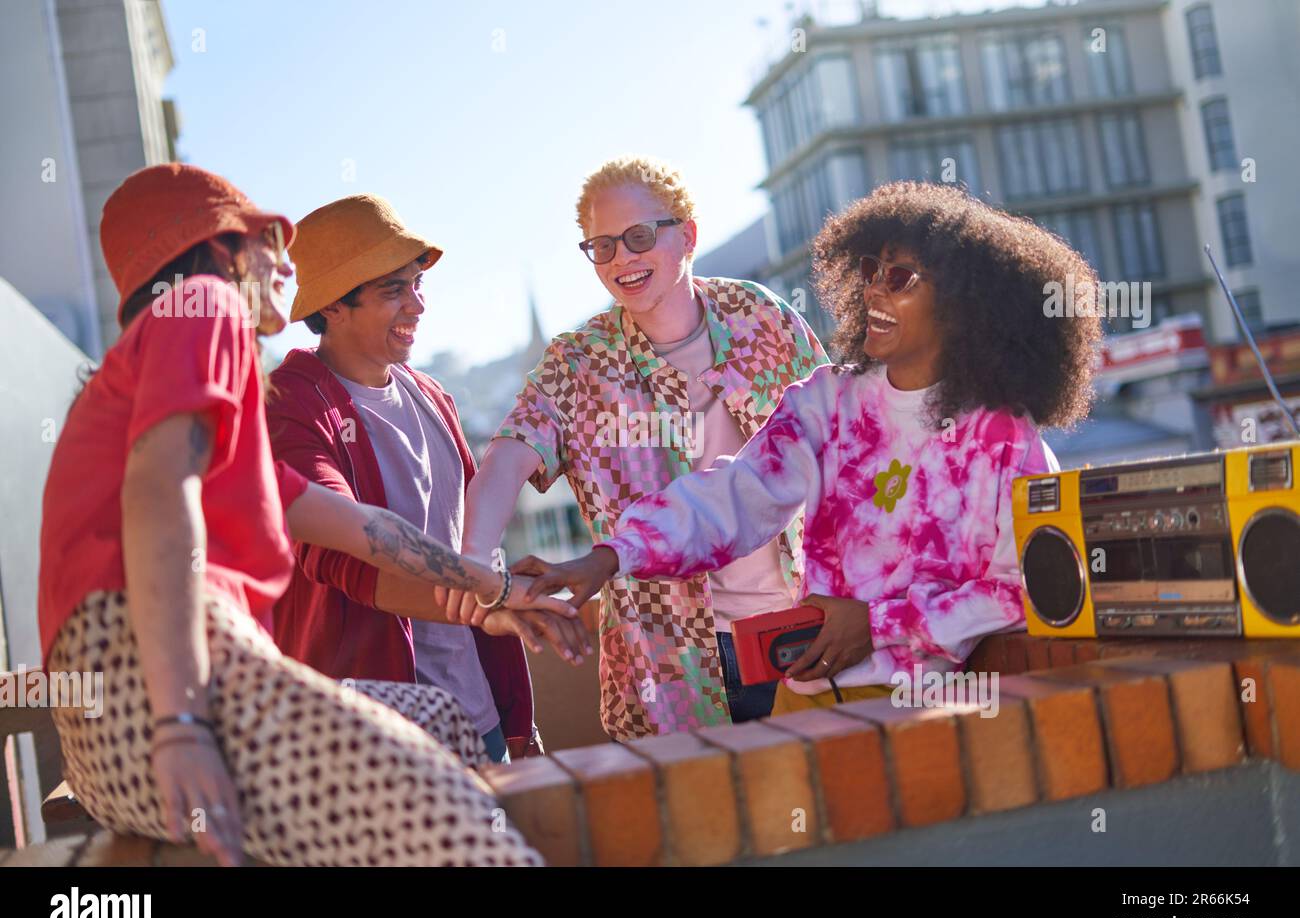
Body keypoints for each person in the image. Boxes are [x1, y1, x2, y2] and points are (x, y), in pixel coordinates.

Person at [39, 163, 564, 865]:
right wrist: (181, 723)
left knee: (441, 722)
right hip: (162, 685)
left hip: (108, 734)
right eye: (268, 236)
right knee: (469, 838)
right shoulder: (207, 306)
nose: (289, 260)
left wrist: (488, 589)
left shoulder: (179, 399)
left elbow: (357, 529)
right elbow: (160, 499)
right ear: (220, 250)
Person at [517, 181, 1102, 714]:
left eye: (898, 279)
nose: (872, 289)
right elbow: (736, 494)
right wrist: (608, 557)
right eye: (869, 270)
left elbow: (1030, 589)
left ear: (962, 305)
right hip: (804, 705)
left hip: (932, 712)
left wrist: (875, 625)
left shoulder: (1002, 436)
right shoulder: (829, 400)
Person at [443, 155, 829, 741]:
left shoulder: (762, 317)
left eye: (640, 236)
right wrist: (478, 565)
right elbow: (507, 457)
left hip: (803, 630)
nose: (622, 257)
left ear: (688, 235)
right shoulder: (579, 362)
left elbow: (840, 440)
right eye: (602, 247)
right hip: (671, 666)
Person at [265, 195, 586, 763]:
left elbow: (472, 545)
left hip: (477, 717)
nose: (417, 305)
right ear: (334, 306)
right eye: (393, 290)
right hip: (371, 742)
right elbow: (343, 559)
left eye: (418, 285)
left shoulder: (431, 394)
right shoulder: (290, 404)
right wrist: (491, 600)